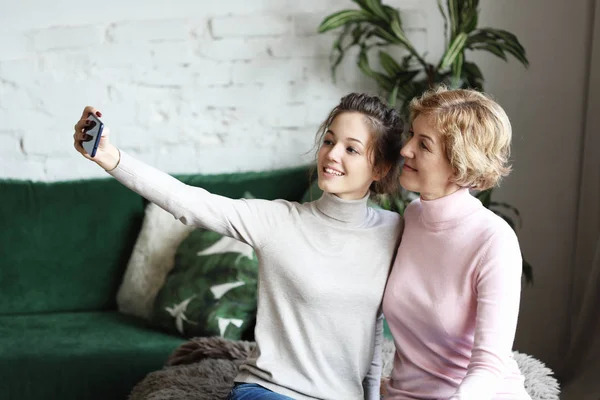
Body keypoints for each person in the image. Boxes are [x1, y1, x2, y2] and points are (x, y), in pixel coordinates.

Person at [72, 93, 404, 400]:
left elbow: (370, 328)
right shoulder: (277, 221)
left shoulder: (392, 231)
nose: (331, 154)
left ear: (380, 167)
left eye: (351, 148)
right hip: (269, 390)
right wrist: (109, 156)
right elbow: (188, 202)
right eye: (329, 140)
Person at [382, 86, 531, 400]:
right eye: (411, 135)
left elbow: (489, 365)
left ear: (459, 162)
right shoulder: (412, 217)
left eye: (424, 144)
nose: (406, 149)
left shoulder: (493, 240)